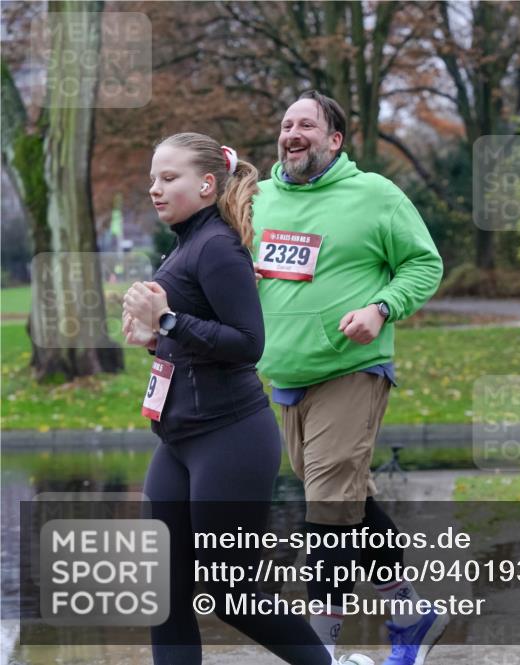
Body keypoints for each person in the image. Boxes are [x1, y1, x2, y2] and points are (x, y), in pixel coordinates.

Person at [122, 132, 371, 665]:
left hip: (229, 438)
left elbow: (247, 343)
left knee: (233, 595)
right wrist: (155, 338)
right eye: (152, 179)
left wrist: (168, 319)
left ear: (207, 185)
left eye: (169, 179)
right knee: (164, 593)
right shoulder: (186, 241)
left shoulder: (216, 247)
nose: (155, 189)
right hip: (179, 439)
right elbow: (196, 341)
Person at [250, 91, 446, 665]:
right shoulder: (257, 199)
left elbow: (424, 262)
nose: (293, 132)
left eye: (306, 124)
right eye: (286, 124)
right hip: (285, 376)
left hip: (352, 369)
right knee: (345, 501)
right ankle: (410, 615)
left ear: (334, 140)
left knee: (327, 511)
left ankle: (320, 650)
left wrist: (381, 308)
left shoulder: (375, 195)